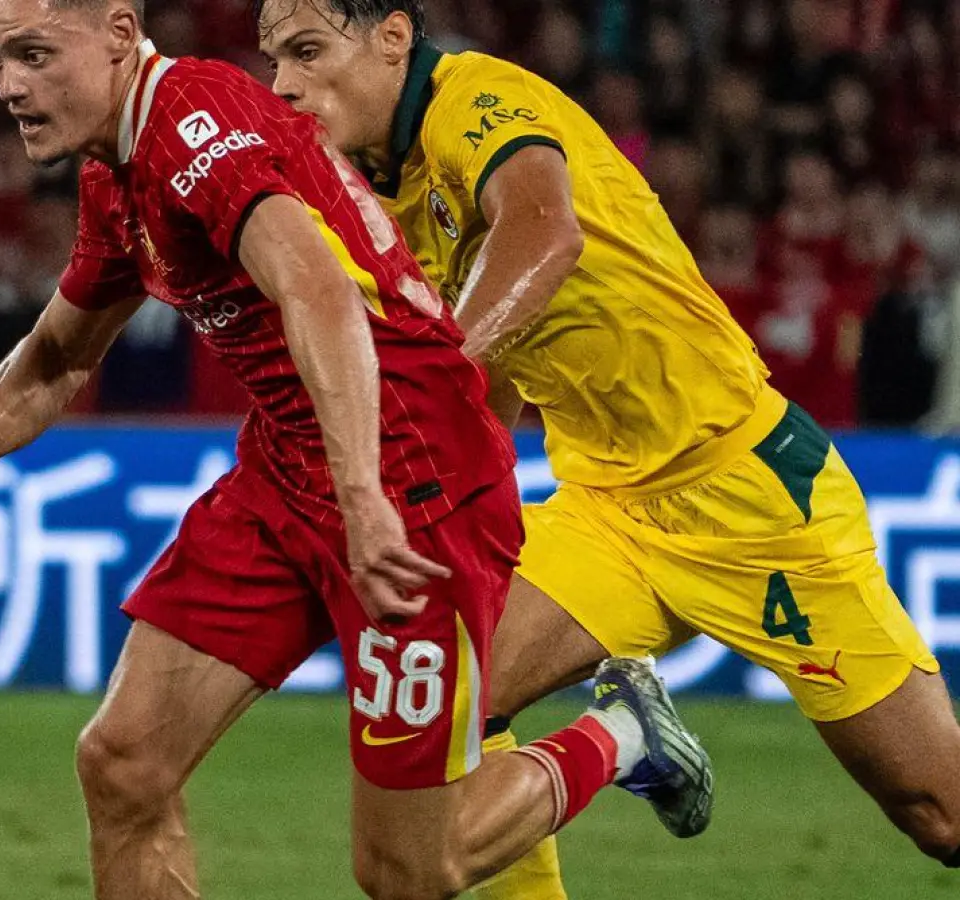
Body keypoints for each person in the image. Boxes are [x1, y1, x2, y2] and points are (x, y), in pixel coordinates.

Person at [0, 2, 714, 898]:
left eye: (33, 54)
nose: (10, 84)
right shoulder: (118, 173)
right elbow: (61, 353)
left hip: (414, 481)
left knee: (407, 872)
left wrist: (366, 496)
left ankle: (620, 734)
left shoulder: (196, 123)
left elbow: (320, 293)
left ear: (118, 33)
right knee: (124, 761)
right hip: (290, 470)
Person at [256, 0, 960, 886]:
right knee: (452, 705)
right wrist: (455, 503)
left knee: (940, 815)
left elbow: (543, 235)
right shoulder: (376, 184)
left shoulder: (476, 102)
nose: (284, 84)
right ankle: (630, 735)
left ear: (393, 38)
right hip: (606, 505)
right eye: (275, 59)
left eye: (308, 51)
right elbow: (495, 349)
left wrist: (421, 396)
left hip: (748, 489)